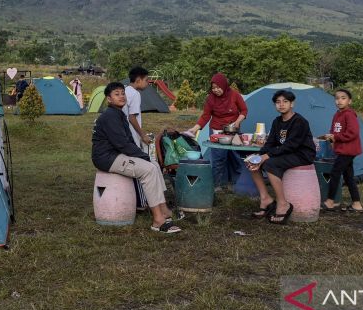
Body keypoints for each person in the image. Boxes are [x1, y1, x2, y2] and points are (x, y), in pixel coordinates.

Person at [91, 82, 181, 233]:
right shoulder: (110, 116)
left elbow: (128, 142)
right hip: (107, 157)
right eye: (116, 94)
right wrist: (142, 156)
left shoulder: (119, 114)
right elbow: (122, 144)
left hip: (117, 154)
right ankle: (158, 221)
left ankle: (164, 210)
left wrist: (144, 157)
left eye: (122, 93)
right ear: (109, 99)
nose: (121, 96)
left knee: (153, 165)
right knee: (148, 170)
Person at [246, 89, 316, 224]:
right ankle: (265, 198)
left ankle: (283, 203)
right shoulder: (277, 121)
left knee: (270, 164)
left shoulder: (299, 121)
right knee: (252, 162)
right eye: (278, 102)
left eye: (285, 101)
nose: (281, 104)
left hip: (302, 154)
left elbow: (291, 145)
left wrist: (266, 157)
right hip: (286, 153)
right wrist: (258, 155)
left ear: (292, 104)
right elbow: (270, 143)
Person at [186, 73, 248, 188]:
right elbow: (205, 116)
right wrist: (194, 129)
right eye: (213, 88)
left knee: (235, 156)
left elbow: (244, 110)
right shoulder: (210, 99)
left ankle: (236, 183)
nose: (216, 90)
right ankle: (217, 185)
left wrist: (238, 121)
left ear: (224, 85)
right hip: (217, 130)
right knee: (219, 158)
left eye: (218, 87)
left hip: (233, 129)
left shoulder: (234, 95)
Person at [321, 89, 363, 213]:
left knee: (335, 173)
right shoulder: (337, 114)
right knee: (348, 176)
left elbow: (353, 133)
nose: (339, 100)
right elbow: (335, 131)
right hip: (342, 149)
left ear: (349, 101)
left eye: (343, 98)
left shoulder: (349, 114)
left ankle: (330, 201)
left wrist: (336, 137)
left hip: (349, 150)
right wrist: (331, 137)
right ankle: (357, 204)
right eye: (337, 98)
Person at [124, 66, 152, 150]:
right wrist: (143, 135)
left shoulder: (125, 90)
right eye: (146, 80)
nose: (148, 83)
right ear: (138, 80)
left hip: (124, 133)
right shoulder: (135, 94)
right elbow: (132, 117)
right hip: (132, 135)